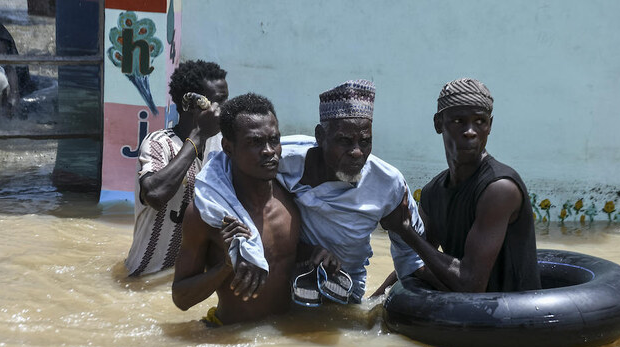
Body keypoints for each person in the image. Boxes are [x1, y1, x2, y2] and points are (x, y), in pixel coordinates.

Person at [277, 80, 438, 302]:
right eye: (344, 141)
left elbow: (412, 257)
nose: (356, 152)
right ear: (320, 137)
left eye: (365, 142)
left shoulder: (388, 184)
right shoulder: (280, 158)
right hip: (283, 279)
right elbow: (228, 163)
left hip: (344, 289)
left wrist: (377, 304)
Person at [379, 78, 541, 293]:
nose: (470, 131)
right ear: (439, 123)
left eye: (480, 121)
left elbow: (471, 284)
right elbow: (418, 258)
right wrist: (373, 301)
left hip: (515, 318)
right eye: (458, 121)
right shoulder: (433, 192)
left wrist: (406, 231)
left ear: (489, 126)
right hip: (465, 314)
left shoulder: (499, 189)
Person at [172, 93, 301, 325]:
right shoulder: (208, 214)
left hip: (285, 338)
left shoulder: (292, 198)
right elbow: (181, 298)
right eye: (255, 142)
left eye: (274, 140)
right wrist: (226, 267)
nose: (269, 151)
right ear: (228, 148)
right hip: (230, 341)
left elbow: (289, 260)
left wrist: (319, 255)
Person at [125, 59, 228, 276]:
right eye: (218, 102)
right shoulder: (158, 143)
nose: (223, 110)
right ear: (190, 104)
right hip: (145, 278)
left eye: (225, 101)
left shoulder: (223, 145)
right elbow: (154, 194)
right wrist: (198, 136)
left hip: (190, 281)